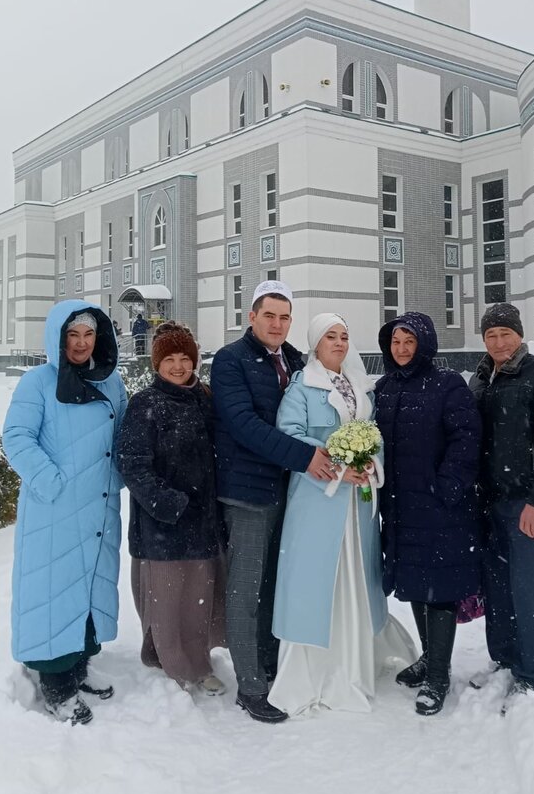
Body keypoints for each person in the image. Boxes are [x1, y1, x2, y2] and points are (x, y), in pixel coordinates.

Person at [268, 313, 416, 716]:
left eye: (344, 336)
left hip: (358, 504)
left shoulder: (360, 386)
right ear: (316, 344)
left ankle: (356, 656)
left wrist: (368, 463)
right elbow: (290, 435)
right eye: (330, 336)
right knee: (318, 580)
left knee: (357, 574)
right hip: (318, 502)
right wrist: (337, 467)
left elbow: (374, 433)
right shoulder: (302, 387)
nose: (338, 343)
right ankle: (320, 668)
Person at [210, 280, 336, 724]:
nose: (277, 324)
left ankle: (269, 664)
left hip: (289, 492)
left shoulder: (297, 361)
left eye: (285, 317)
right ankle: (250, 686)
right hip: (247, 492)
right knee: (246, 589)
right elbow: (244, 425)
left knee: (276, 586)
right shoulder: (231, 360)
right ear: (252, 317)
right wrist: (305, 457)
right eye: (269, 315)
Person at [2, 301, 127, 725]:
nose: (80, 343)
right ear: (58, 338)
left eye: (88, 335)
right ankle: (56, 687)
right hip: (54, 510)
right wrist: (53, 482)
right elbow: (16, 437)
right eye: (72, 335)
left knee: (88, 588)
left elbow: (123, 436)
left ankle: (79, 669)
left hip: (100, 506)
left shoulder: (111, 382)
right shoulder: (37, 383)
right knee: (53, 591)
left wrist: (118, 477)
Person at [374, 312, 482, 716]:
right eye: (396, 342)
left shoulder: (447, 384)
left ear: (425, 345)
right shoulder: (384, 388)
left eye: (409, 341)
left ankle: (439, 675)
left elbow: (466, 438)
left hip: (440, 509)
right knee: (416, 585)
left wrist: (447, 485)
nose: (402, 349)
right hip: (400, 506)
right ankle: (429, 657)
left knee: (440, 588)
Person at [467, 303, 534, 712]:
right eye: (491, 335)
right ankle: (504, 659)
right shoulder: (481, 379)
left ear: (520, 335)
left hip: (524, 504)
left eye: (505, 334)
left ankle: (532, 676)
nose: (498, 343)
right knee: (496, 588)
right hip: (487, 502)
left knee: (526, 589)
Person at [117, 321, 226, 694]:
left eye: (185, 358)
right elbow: (132, 463)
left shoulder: (204, 398)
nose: (179, 366)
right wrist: (169, 504)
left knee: (197, 600)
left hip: (204, 520)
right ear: (157, 364)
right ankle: (178, 667)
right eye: (170, 360)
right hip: (162, 525)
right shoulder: (145, 403)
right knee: (166, 601)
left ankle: (196, 661)